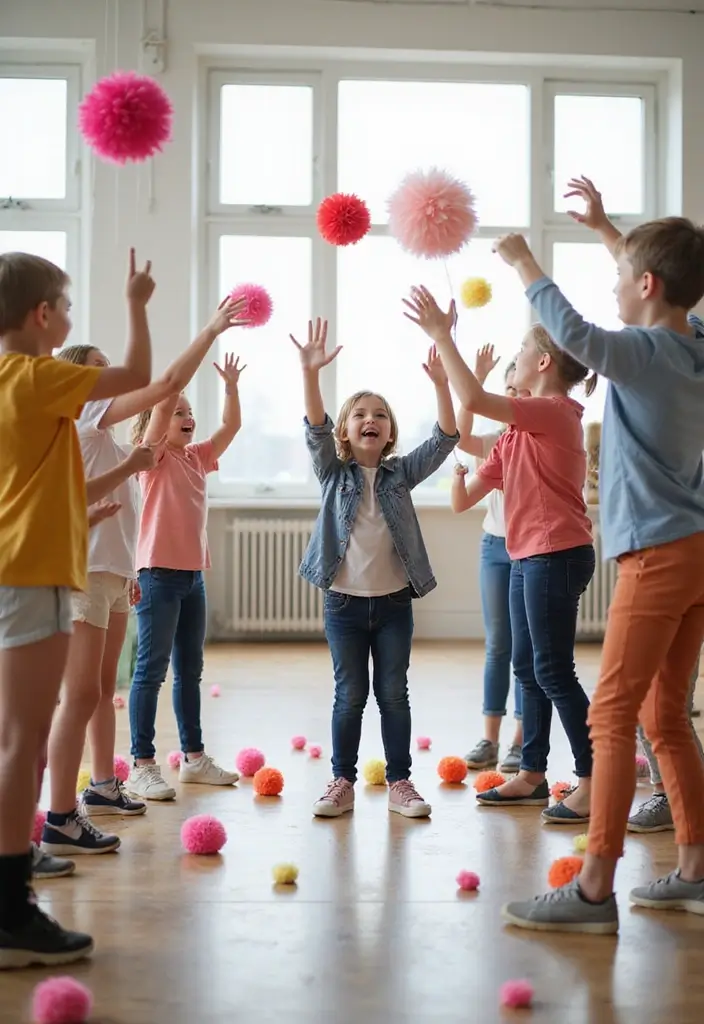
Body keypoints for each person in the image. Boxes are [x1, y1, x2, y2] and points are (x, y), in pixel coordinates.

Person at [497, 179, 704, 936]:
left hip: (654, 558)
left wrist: (526, 264)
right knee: (665, 714)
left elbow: (579, 336)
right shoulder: (693, 343)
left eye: (621, 277)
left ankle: (591, 891)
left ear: (646, 287)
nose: (614, 285)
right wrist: (609, 231)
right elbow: (661, 282)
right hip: (697, 554)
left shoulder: (643, 353)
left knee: (613, 716)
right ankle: (694, 871)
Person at [40, 297, 247, 856]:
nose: (112, 376)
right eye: (100, 367)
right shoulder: (83, 413)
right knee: (81, 694)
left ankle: (103, 788)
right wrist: (208, 330)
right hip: (84, 572)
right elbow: (161, 393)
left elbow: (121, 502)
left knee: (103, 690)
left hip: (111, 574)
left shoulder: (107, 439)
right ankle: (63, 811)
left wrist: (130, 567)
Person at [0, 248, 153, 967]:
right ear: (42, 316)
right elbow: (137, 377)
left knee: (18, 738)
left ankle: (15, 880)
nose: (66, 315)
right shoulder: (35, 375)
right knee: (20, 742)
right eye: (63, 304)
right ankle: (9, 911)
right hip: (27, 576)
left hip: (24, 570)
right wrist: (137, 303)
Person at [405, 287, 595, 824]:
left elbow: (478, 401)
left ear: (542, 363)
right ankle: (532, 774)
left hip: (558, 556)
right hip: (527, 556)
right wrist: (460, 473)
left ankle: (593, 779)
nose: (512, 363)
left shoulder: (555, 412)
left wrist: (444, 335)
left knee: (554, 670)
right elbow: (465, 501)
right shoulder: (516, 436)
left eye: (517, 355)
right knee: (527, 668)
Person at [293, 318, 459, 819]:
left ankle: (400, 781)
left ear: (388, 432)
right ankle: (341, 780)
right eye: (360, 414)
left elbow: (446, 437)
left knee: (393, 693)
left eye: (380, 415)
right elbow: (315, 428)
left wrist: (440, 384)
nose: (371, 419)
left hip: (392, 605)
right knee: (349, 695)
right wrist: (310, 374)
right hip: (343, 603)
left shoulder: (401, 472)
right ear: (346, 430)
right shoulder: (332, 471)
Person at [125, 354, 246, 801]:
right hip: (156, 576)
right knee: (151, 671)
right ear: (155, 423)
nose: (187, 416)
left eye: (190, 411)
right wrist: (168, 391)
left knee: (190, 671)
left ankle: (193, 759)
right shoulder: (150, 458)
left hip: (193, 576)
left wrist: (231, 387)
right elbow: (158, 416)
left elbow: (230, 428)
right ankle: (142, 765)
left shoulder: (196, 457)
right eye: (179, 411)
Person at [457, 346, 523, 773]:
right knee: (498, 644)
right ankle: (490, 739)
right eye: (509, 390)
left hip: (532, 552)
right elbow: (460, 439)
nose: (514, 398)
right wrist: (475, 381)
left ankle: (522, 740)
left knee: (528, 652)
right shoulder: (495, 440)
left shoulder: (541, 437)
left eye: (523, 392)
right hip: (494, 547)